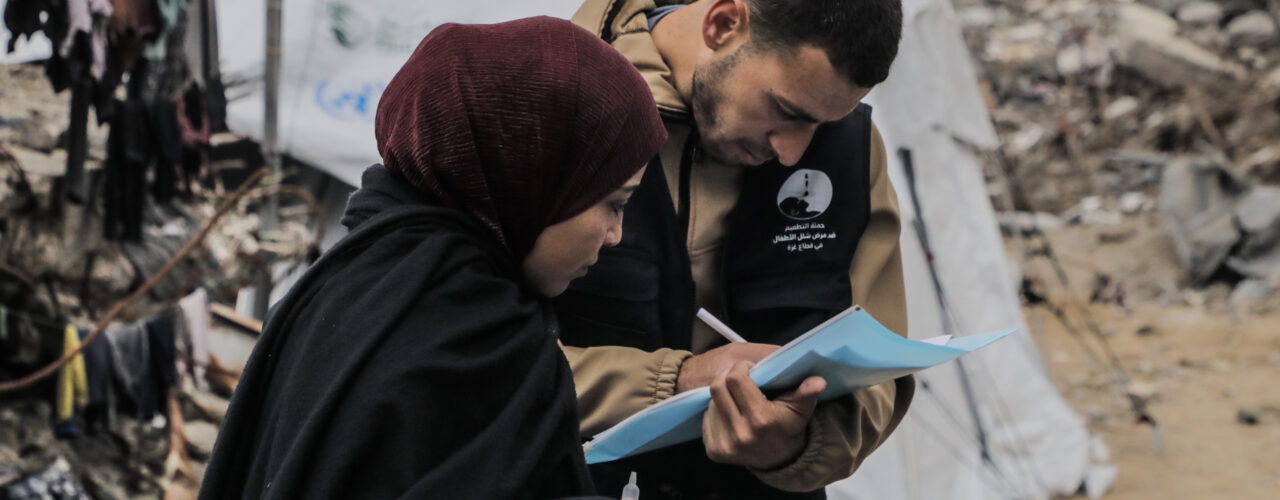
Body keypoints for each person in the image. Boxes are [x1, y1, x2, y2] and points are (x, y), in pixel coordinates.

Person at [198, 17, 666, 499]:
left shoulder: (345, 278)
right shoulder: (482, 349)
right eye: (614, 204)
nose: (616, 235)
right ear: (534, 178)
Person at [553, 0, 913, 498]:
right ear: (723, 24)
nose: (791, 153)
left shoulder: (852, 150)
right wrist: (675, 381)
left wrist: (794, 444)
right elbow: (477, 352)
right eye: (785, 111)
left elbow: (876, 370)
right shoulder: (551, 104)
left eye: (821, 126)